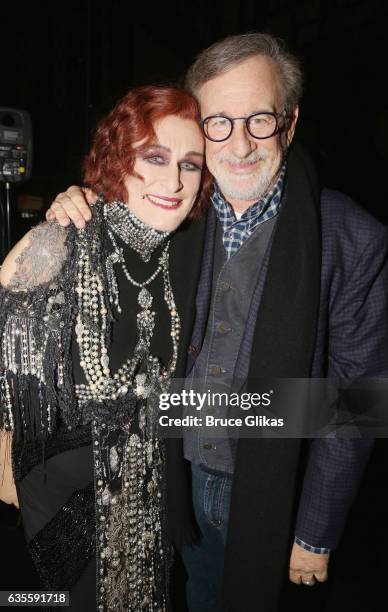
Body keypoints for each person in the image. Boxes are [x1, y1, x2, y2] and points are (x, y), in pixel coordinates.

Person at [46, 33, 388, 612]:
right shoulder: (176, 205)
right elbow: (108, 225)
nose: (238, 144)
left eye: (259, 119)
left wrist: (315, 530)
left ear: (291, 120)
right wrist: (72, 207)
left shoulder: (351, 237)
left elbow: (365, 400)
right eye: (217, 123)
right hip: (168, 473)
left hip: (268, 489)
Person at [0, 84, 209, 611]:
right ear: (119, 158)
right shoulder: (62, 239)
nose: (174, 180)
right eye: (155, 157)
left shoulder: (184, 254)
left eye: (190, 163)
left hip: (147, 499)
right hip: (60, 501)